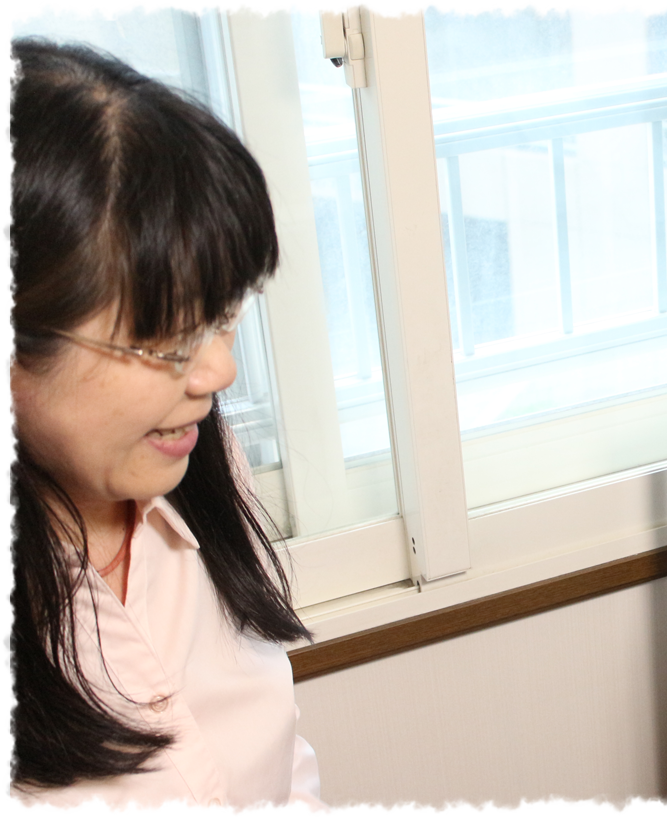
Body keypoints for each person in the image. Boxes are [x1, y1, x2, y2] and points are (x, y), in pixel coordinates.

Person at [10, 40, 339, 816]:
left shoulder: (195, 457)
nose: (218, 372)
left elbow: (278, 774)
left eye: (222, 317)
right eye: (163, 339)